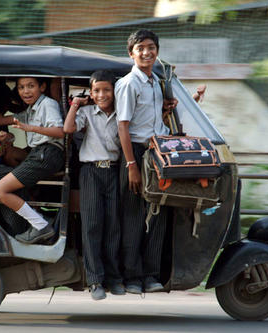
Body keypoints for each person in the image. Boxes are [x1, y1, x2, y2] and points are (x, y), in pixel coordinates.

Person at [115, 29, 177, 294]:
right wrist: (131, 166)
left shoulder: (156, 82)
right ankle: (131, 277)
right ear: (131, 53)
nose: (147, 52)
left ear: (157, 51)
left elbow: (152, 120)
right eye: (141, 48)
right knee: (133, 217)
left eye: (151, 47)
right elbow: (123, 127)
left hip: (158, 154)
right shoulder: (129, 83)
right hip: (136, 155)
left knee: (160, 214)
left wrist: (166, 110)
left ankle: (151, 276)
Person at [64, 70, 124, 301]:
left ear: (114, 91)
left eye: (106, 90)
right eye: (96, 90)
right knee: (92, 225)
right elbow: (68, 129)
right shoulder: (87, 113)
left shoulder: (122, 113)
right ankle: (95, 280)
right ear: (91, 92)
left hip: (114, 171)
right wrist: (75, 105)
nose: (101, 94)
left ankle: (114, 278)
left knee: (113, 226)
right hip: (90, 172)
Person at [0, 77, 65, 244]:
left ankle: (41, 225)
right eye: (21, 87)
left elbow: (60, 131)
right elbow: (1, 121)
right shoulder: (30, 110)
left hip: (48, 153)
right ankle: (40, 219)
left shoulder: (48, 104)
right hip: (38, 153)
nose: (26, 91)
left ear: (42, 87)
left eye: (31, 86)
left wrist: (29, 128)